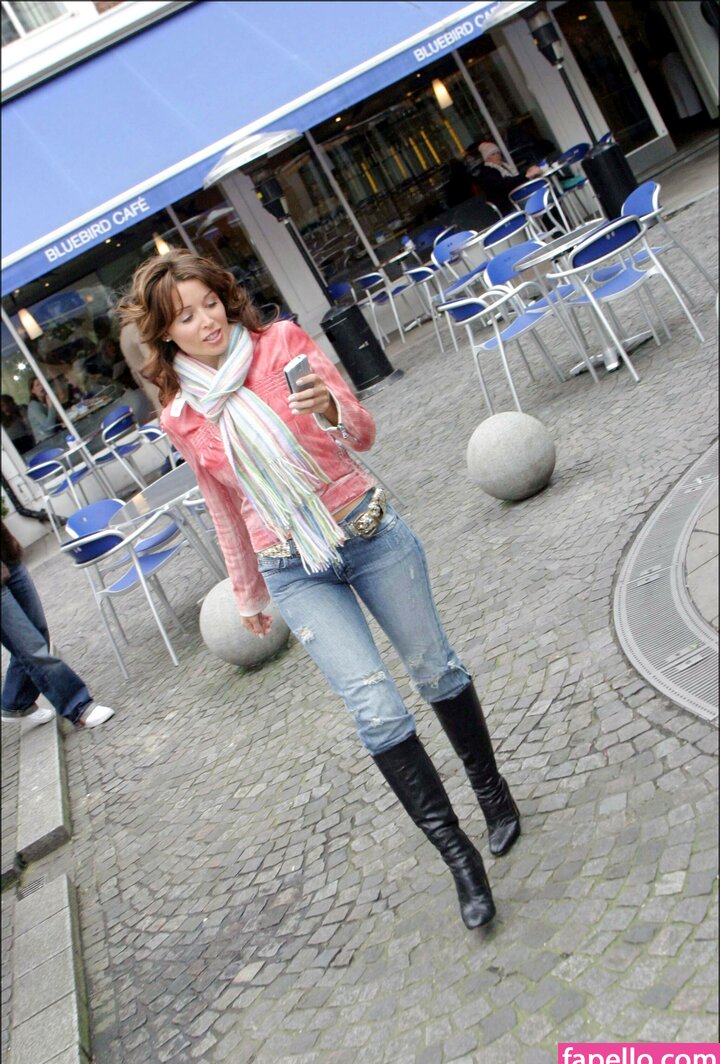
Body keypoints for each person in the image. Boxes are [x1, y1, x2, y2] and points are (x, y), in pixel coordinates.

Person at [117, 250, 520, 931]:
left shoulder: (282, 344)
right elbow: (223, 505)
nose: (207, 321)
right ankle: (458, 857)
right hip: (293, 567)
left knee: (436, 669)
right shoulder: (181, 415)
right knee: (374, 708)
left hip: (368, 531)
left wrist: (332, 406)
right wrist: (247, 592)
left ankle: (492, 791)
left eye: (210, 302)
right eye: (185, 316)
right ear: (164, 334)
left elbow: (363, 431)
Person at [1, 522, 114, 730]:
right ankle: (78, 706)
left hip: (6, 553)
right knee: (31, 647)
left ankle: (16, 701)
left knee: (37, 632)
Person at [473, 140, 544, 215]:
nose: (497, 156)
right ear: (487, 158)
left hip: (516, 198)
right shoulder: (488, 173)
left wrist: (527, 174)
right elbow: (506, 185)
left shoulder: (503, 166)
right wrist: (525, 175)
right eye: (493, 154)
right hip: (509, 206)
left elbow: (513, 181)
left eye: (498, 153)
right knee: (541, 199)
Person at [26, 377, 59, 443]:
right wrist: (50, 406)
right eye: (38, 385)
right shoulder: (34, 406)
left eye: (42, 383)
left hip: (53, 437)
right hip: (45, 441)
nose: (41, 386)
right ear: (33, 390)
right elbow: (49, 426)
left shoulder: (43, 402)